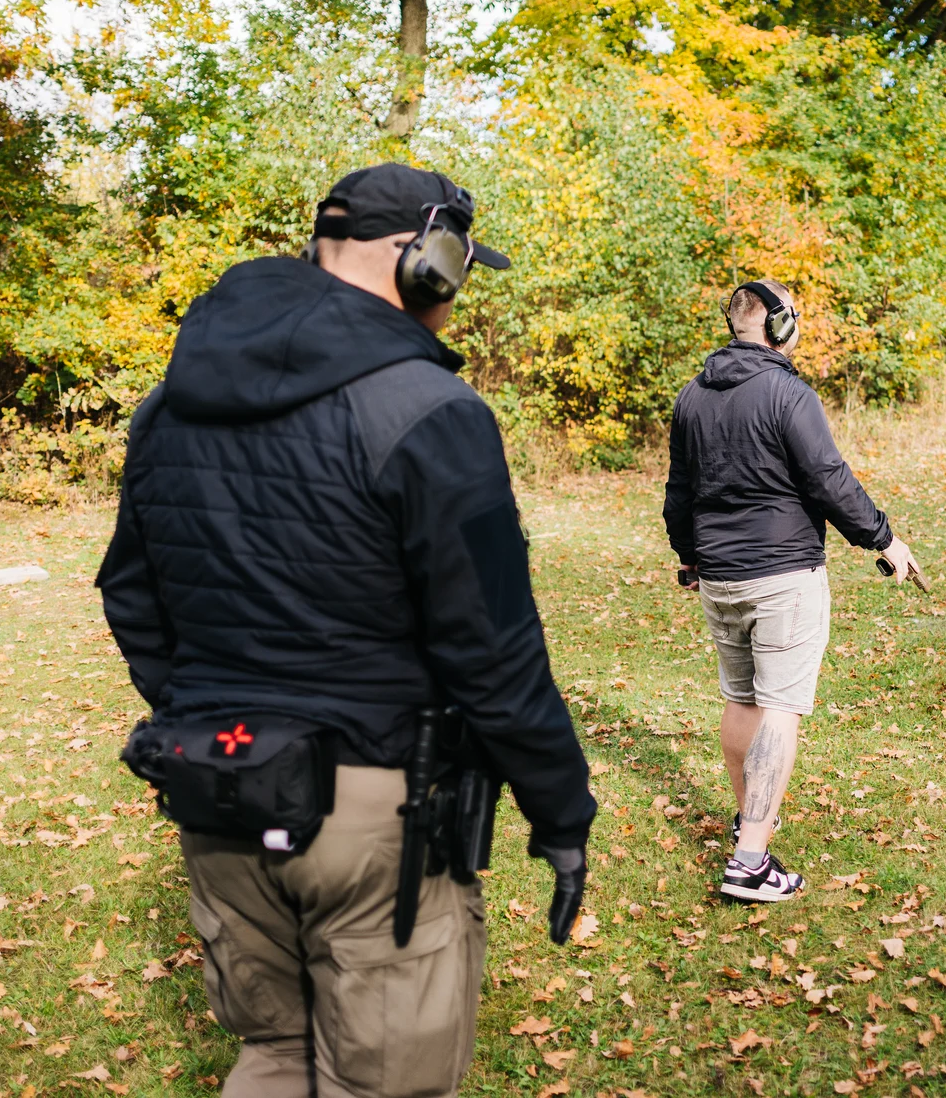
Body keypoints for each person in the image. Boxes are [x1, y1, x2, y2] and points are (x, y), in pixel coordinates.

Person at [97, 163, 594, 1098]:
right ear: (428, 264)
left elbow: (131, 591)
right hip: (377, 809)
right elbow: (493, 647)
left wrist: (205, 710)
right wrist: (561, 811)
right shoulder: (432, 411)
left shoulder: (170, 405)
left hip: (218, 786)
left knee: (272, 1057)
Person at [663, 279, 921, 903]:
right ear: (780, 327)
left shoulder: (690, 397)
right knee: (779, 706)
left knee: (742, 699)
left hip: (719, 577)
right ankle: (750, 860)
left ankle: (751, 815)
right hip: (783, 575)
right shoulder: (787, 392)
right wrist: (884, 540)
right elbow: (828, 479)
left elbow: (678, 495)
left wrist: (691, 559)